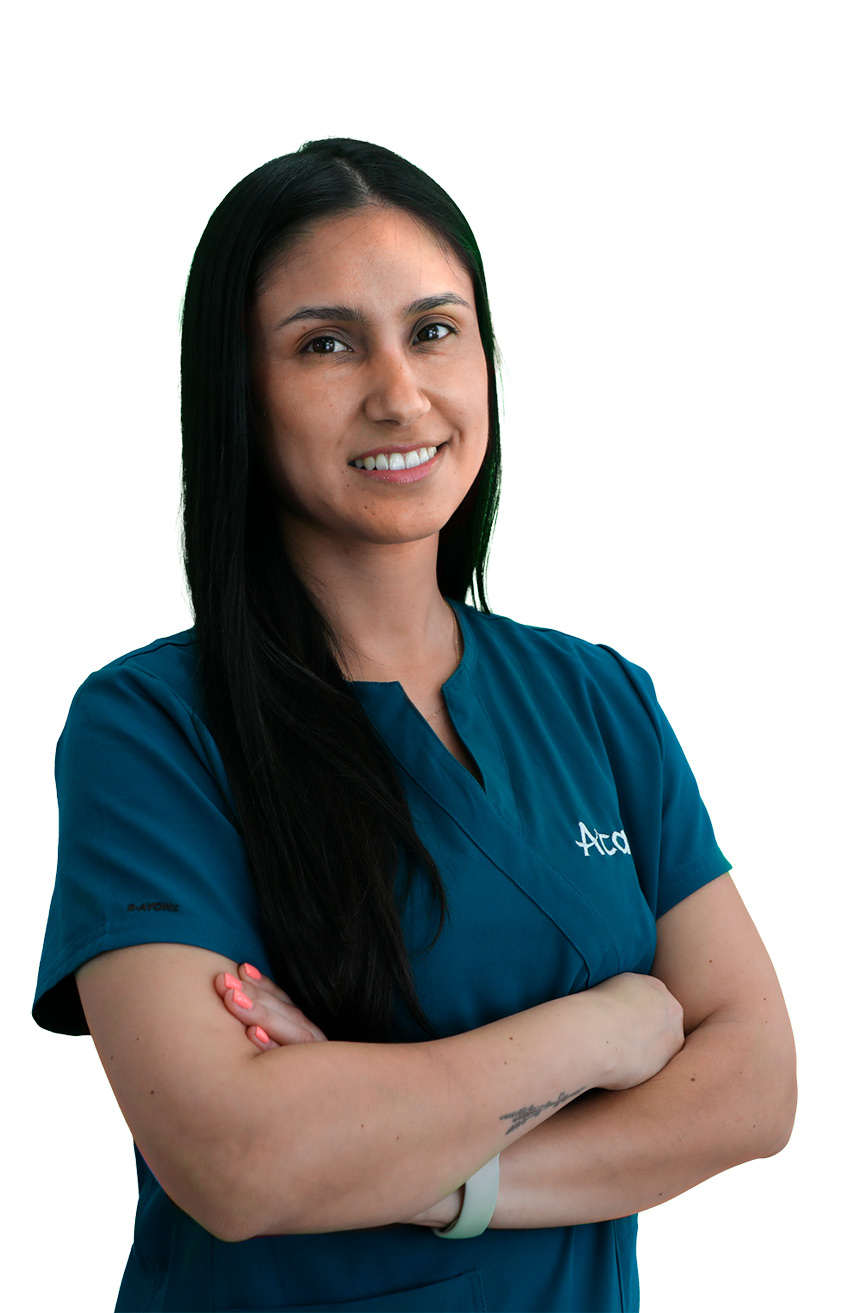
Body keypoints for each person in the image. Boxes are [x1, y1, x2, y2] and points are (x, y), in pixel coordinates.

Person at [32, 138, 796, 1313]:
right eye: (326, 344)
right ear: (235, 389)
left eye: (434, 330)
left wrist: (436, 1176)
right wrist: (614, 1025)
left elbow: (752, 1087)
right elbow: (239, 1159)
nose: (399, 393)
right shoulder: (152, 729)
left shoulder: (597, 697)